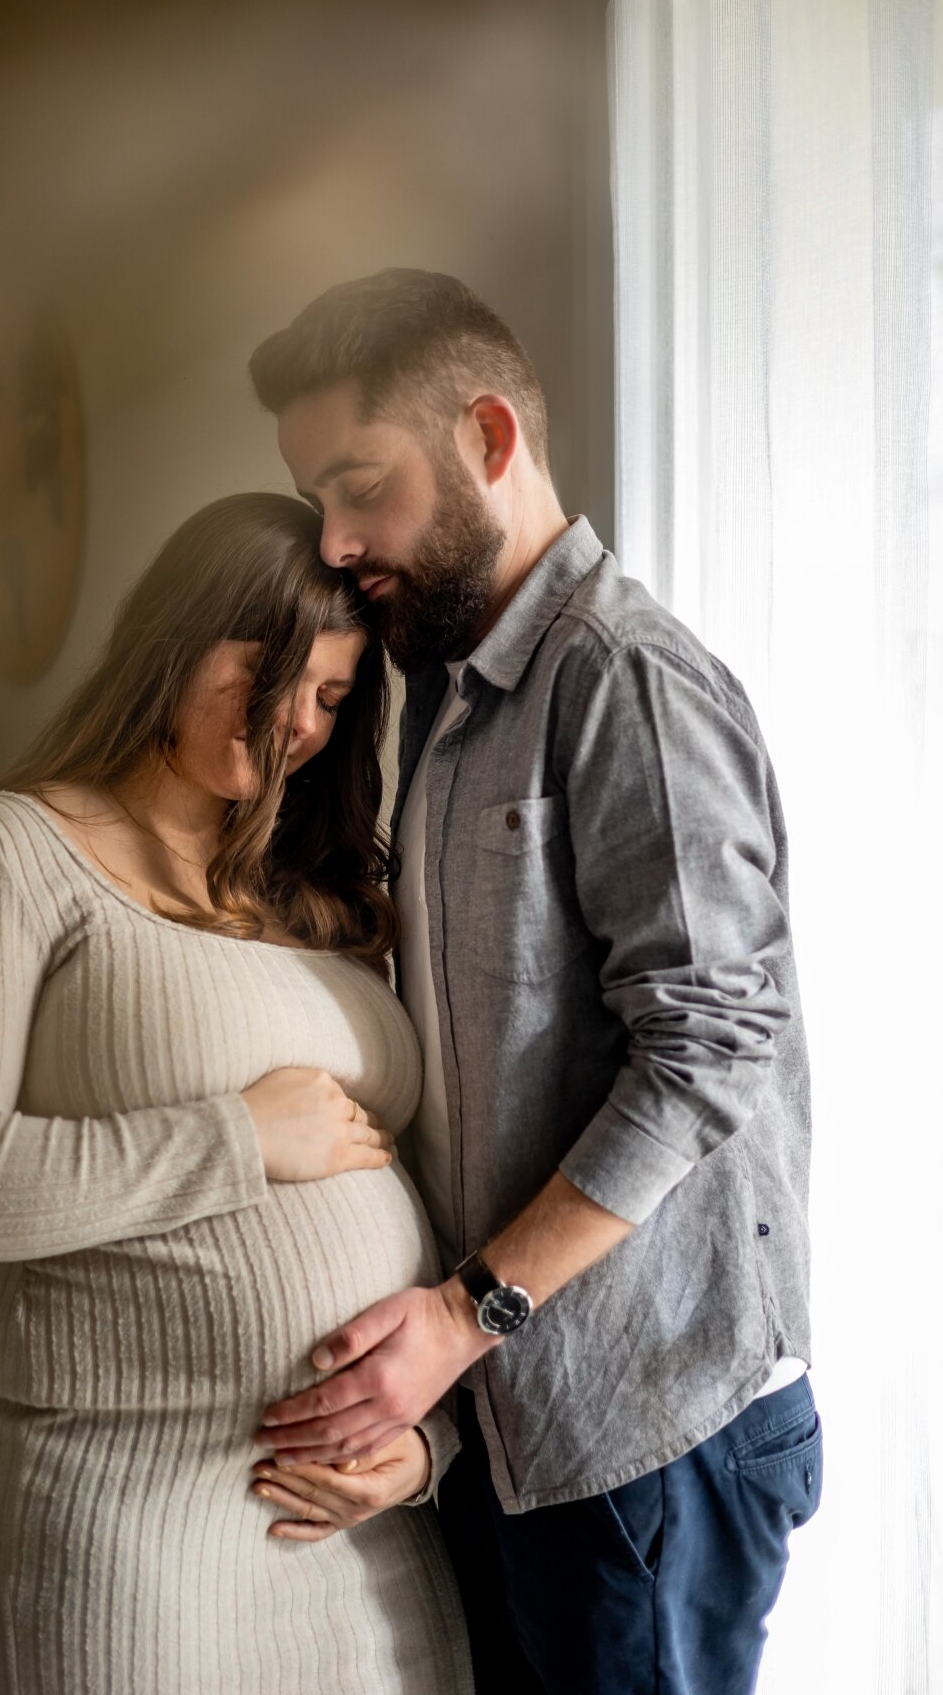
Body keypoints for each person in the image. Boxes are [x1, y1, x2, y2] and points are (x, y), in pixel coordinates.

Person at [247, 271, 822, 1695]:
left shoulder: (623, 680)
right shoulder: (443, 702)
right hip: (520, 1425)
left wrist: (463, 1317)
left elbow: (710, 1049)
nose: (334, 541)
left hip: (653, 1431)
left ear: (489, 438)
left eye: (358, 487)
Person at [0, 492, 474, 1695]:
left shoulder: (321, 899)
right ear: (177, 636)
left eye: (333, 699)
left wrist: (424, 1441)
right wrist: (236, 1137)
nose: (298, 721)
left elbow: (411, 1193)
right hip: (123, 1522)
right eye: (274, 673)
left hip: (361, 1531)